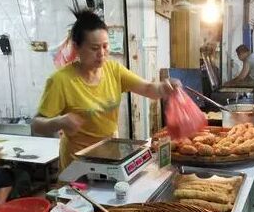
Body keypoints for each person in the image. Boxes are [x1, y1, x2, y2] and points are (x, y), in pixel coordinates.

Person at [32, 10, 180, 171]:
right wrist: (59, 122)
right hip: (77, 165)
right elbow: (36, 125)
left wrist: (164, 87)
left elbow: (148, 88)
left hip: (109, 158)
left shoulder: (114, 70)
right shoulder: (60, 80)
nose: (101, 53)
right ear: (77, 47)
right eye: (94, 48)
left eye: (105, 46)